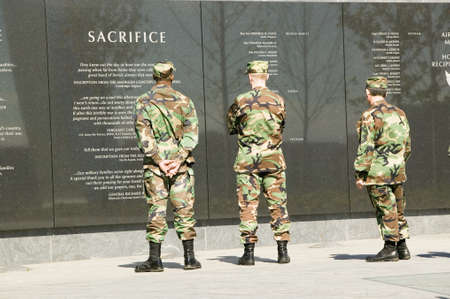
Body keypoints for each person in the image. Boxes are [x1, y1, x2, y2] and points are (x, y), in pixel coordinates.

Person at [134, 61, 201, 272]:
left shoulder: (143, 101)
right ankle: (189, 258)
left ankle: (155, 260)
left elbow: (143, 134)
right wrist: (179, 158)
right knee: (184, 210)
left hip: (156, 167)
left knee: (157, 210)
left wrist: (158, 159)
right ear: (171, 76)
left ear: (154, 77)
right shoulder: (185, 101)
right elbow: (192, 134)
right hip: (180, 166)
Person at [227, 60, 291, 265]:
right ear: (267, 76)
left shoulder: (241, 100)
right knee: (278, 204)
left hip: (248, 161)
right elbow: (282, 125)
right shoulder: (278, 100)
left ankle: (249, 253)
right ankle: (282, 252)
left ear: (249, 77)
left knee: (248, 206)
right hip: (273, 159)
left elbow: (232, 125)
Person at [354, 76, 412, 262]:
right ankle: (402, 247)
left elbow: (366, 147)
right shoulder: (400, 113)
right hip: (398, 170)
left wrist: (361, 174)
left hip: (378, 173)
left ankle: (389, 249)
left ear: (367, 93)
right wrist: (399, 163)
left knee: (385, 209)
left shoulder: (369, 115)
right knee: (399, 210)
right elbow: (407, 145)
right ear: (385, 93)